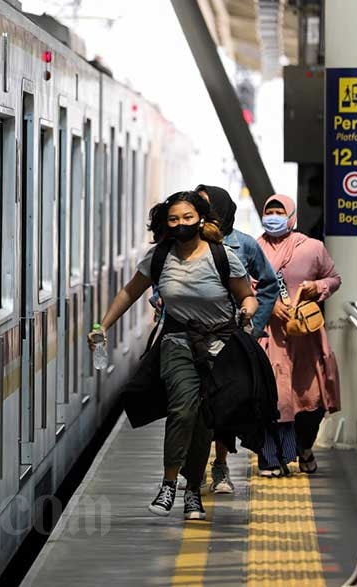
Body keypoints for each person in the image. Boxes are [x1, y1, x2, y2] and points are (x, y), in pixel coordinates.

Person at [88, 191, 258, 521]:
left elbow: (246, 296)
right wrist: (103, 325)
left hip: (219, 345)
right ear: (166, 224)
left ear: (201, 219)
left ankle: (193, 490)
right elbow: (129, 292)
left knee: (204, 420)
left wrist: (247, 313)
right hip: (177, 340)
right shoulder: (160, 257)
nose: (181, 225)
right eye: (174, 219)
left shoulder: (222, 256)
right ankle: (169, 483)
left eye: (188, 218)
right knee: (182, 407)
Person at [190, 185, 278, 493]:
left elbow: (268, 284)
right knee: (192, 404)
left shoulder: (244, 244)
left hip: (230, 337)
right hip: (191, 336)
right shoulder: (186, 242)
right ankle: (197, 465)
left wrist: (254, 320)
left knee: (225, 402)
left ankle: (221, 466)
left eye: (203, 205)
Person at [257, 194, 342, 475]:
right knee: (273, 398)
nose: (273, 216)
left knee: (310, 399)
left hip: (306, 335)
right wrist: (270, 307)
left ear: (291, 216)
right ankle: (271, 458)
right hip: (270, 336)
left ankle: (304, 447)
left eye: (279, 211)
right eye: (269, 211)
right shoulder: (254, 248)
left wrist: (316, 288)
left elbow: (334, 278)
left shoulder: (312, 248)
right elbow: (245, 285)